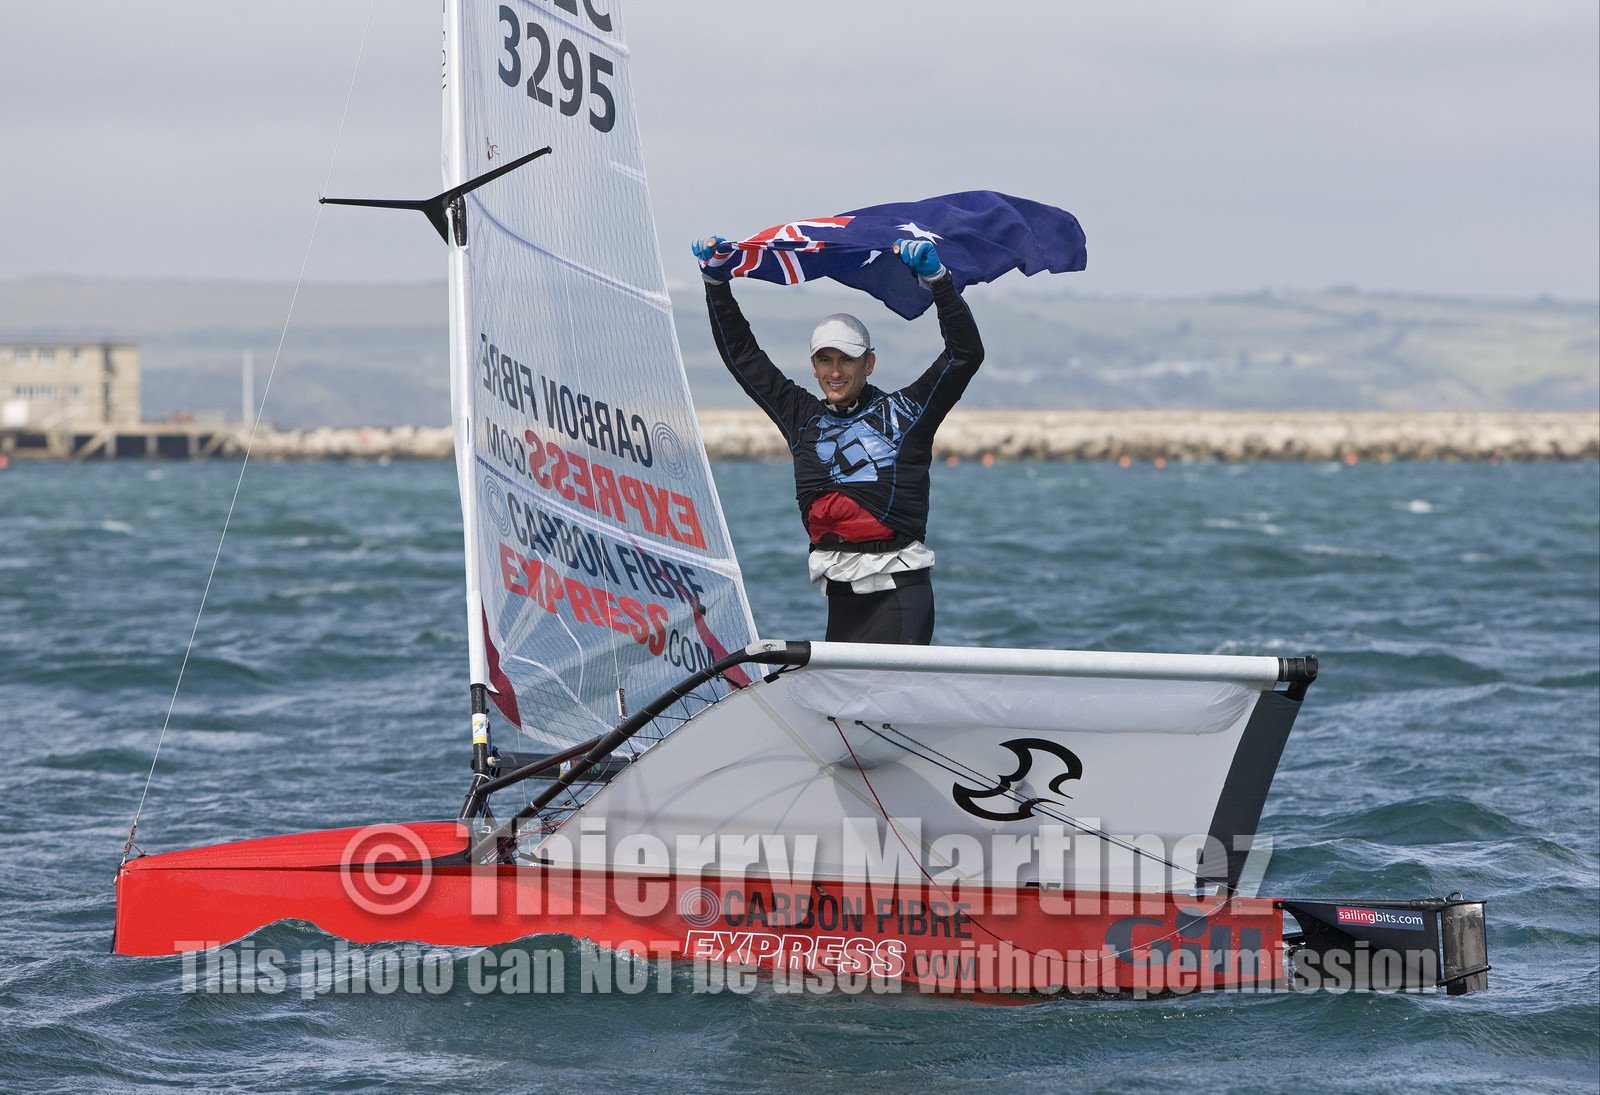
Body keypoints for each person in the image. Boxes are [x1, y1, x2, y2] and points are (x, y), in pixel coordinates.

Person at [695, 235, 984, 644]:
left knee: (879, 706)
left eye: (847, 359)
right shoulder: (800, 417)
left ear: (869, 362)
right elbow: (743, 357)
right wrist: (715, 284)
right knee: (844, 711)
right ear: (813, 367)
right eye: (825, 360)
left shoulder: (908, 413)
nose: (836, 372)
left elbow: (964, 355)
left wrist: (939, 282)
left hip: (899, 595)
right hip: (841, 600)